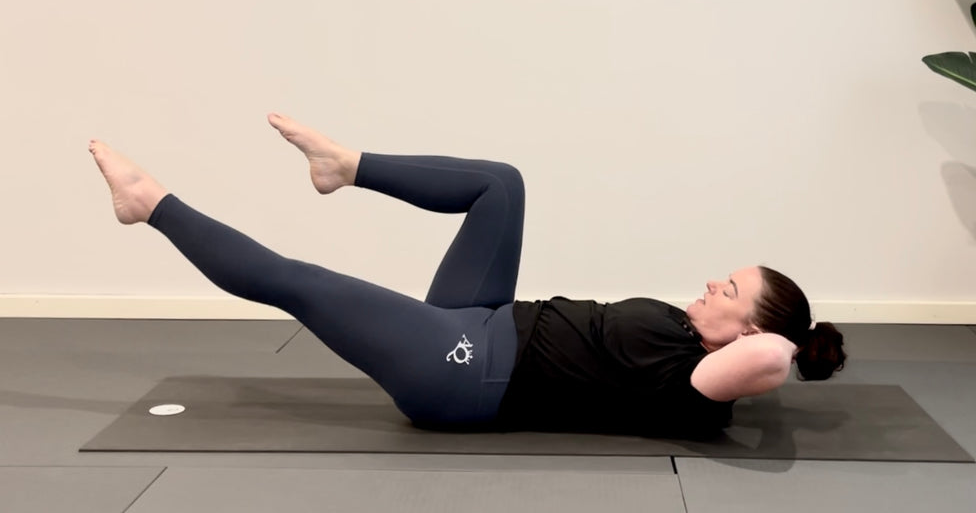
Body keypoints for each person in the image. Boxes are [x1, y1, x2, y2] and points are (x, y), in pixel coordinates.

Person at [88, 113, 846, 438]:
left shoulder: (698, 390)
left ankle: (149, 204)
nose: (714, 283)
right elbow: (758, 342)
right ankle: (344, 165)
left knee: (303, 282)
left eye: (731, 291)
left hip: (464, 376)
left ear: (747, 331)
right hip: (482, 318)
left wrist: (781, 340)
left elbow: (775, 357)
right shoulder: (689, 337)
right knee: (502, 184)